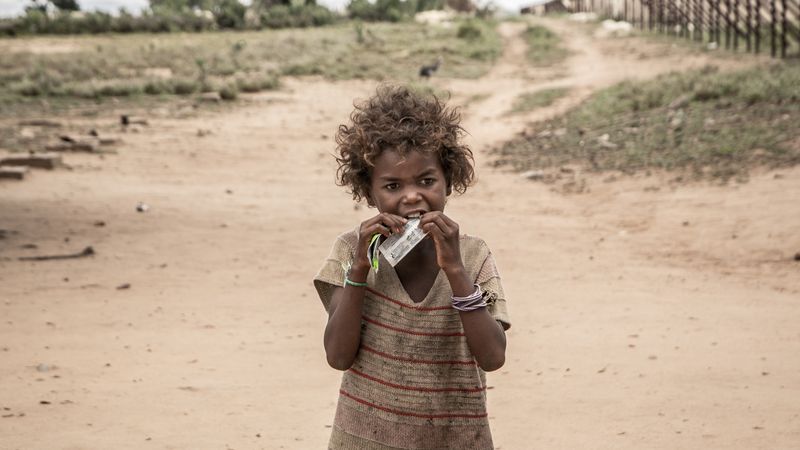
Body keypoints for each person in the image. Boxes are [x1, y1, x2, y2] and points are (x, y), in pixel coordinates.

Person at [313, 84, 511, 449]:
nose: (412, 196)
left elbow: (493, 356)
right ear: (369, 193)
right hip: (364, 439)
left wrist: (454, 270)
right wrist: (359, 269)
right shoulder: (350, 251)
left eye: (426, 180)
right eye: (391, 185)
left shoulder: (473, 256)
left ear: (449, 182)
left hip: (454, 438)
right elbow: (338, 356)